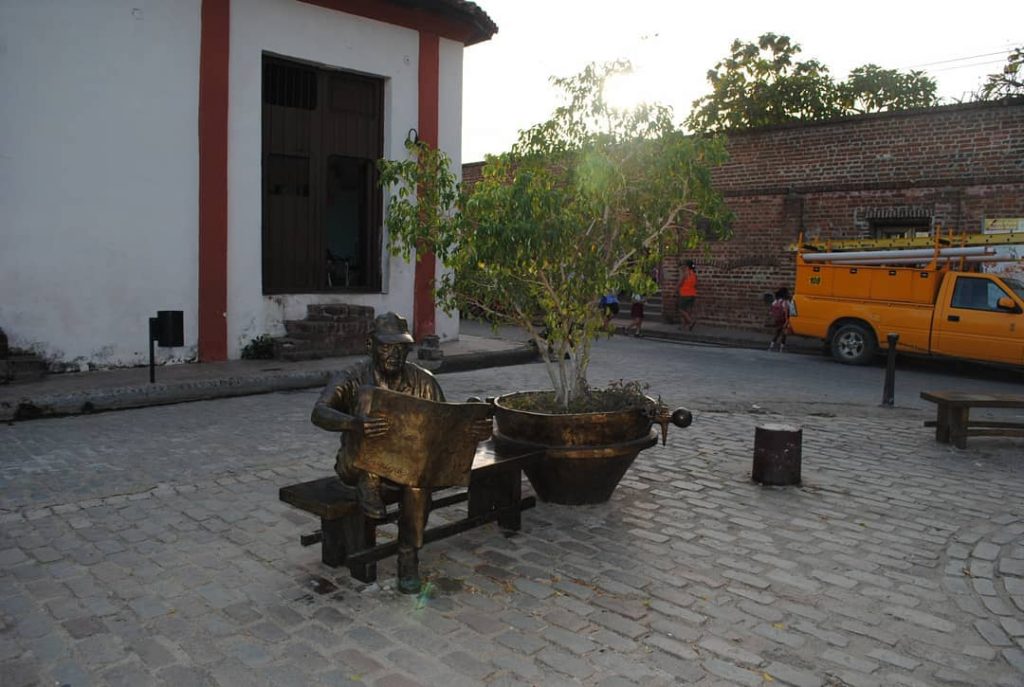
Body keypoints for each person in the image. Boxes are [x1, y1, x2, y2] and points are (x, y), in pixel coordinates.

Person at [311, 311, 492, 592]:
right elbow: (319, 412)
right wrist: (353, 423)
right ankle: (368, 479)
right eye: (386, 347)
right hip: (355, 463)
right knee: (370, 454)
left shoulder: (424, 381)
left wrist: (473, 431)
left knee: (418, 487)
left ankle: (408, 558)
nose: (394, 354)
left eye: (401, 348)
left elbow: (444, 429)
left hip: (406, 466)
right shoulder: (350, 377)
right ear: (370, 345)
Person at [677, 260, 698, 330]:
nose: (683, 266)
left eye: (684, 265)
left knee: (681, 309)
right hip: (692, 294)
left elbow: (680, 283)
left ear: (687, 266)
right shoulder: (693, 274)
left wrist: (675, 290)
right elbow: (695, 285)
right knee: (687, 311)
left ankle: (690, 322)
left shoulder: (685, 273)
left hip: (685, 294)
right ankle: (683, 326)